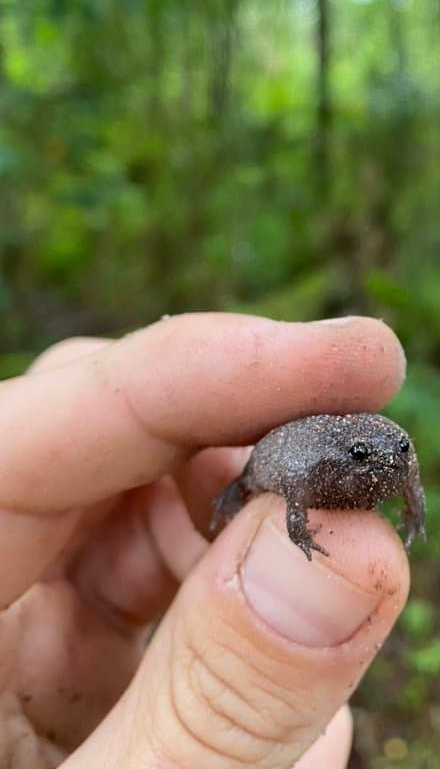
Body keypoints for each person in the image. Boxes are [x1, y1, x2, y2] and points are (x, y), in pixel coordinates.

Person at [0, 313, 411, 769]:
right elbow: (297, 491)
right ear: (346, 455)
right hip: (265, 468)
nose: (390, 461)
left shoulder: (393, 455)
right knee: (236, 490)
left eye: (401, 451)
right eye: (362, 456)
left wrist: (414, 511)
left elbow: (407, 475)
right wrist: (302, 540)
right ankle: (232, 508)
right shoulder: (320, 466)